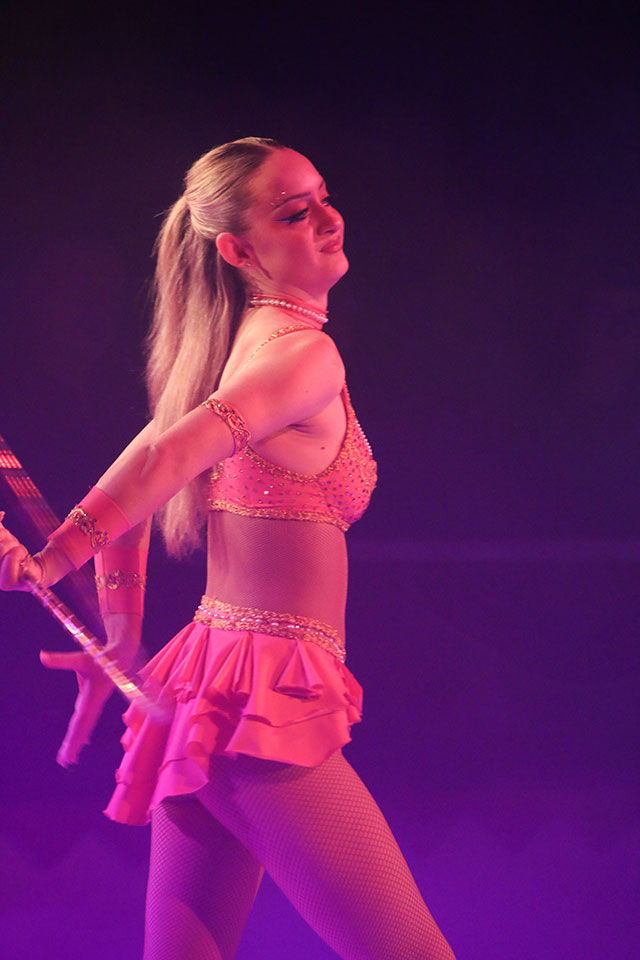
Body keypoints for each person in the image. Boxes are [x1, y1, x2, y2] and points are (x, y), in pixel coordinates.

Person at [0, 137, 455, 960]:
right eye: (296, 212)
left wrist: (121, 634)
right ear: (239, 251)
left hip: (207, 688)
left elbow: (149, 469)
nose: (328, 218)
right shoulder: (304, 355)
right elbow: (162, 461)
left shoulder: (235, 351)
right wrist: (55, 561)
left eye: (323, 196)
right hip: (259, 705)